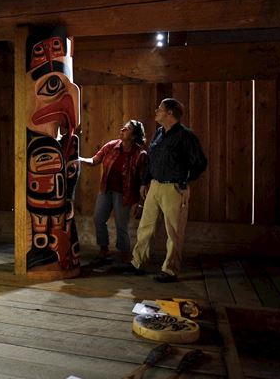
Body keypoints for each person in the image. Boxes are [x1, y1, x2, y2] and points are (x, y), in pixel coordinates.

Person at [125, 98, 207, 283]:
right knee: (145, 227)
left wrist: (185, 181)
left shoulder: (186, 136)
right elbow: (151, 161)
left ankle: (170, 270)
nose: (156, 111)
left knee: (174, 231)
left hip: (174, 188)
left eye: (160, 109)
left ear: (170, 113)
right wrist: (145, 182)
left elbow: (200, 163)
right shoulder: (158, 134)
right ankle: (138, 263)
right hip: (154, 186)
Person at [80, 120, 148, 265]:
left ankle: (124, 254)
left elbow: (143, 181)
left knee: (121, 225)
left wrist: (141, 204)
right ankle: (104, 250)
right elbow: (94, 160)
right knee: (98, 219)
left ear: (134, 136)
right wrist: (79, 159)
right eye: (123, 127)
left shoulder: (140, 154)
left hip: (124, 194)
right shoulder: (111, 146)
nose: (122, 129)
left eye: (127, 129)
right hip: (106, 189)